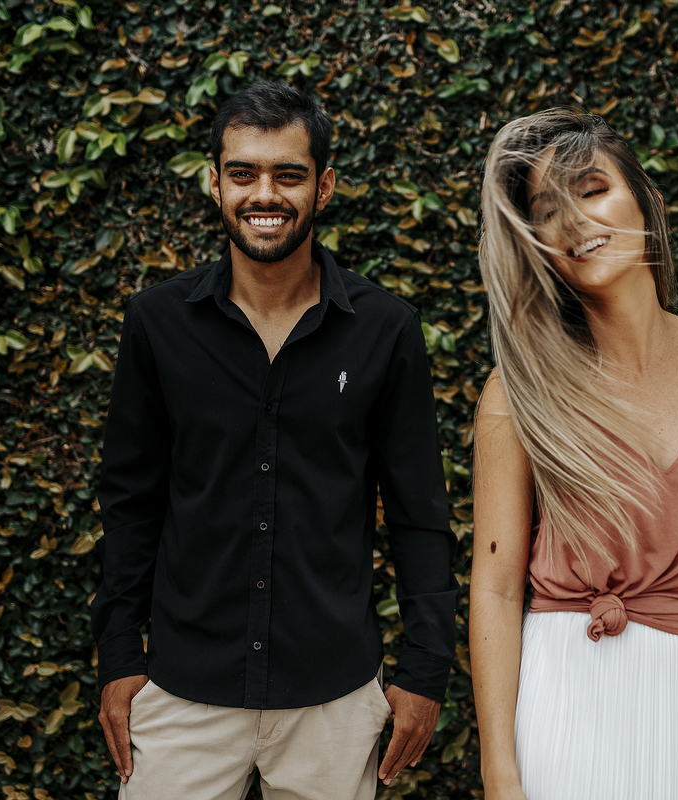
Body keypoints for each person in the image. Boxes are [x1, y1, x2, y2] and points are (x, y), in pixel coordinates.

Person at [91, 82, 459, 800]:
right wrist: (116, 655)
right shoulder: (157, 323)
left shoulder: (386, 330)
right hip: (182, 690)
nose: (265, 194)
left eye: (288, 174)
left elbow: (419, 512)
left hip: (334, 695)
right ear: (215, 183)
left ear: (324, 187)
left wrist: (425, 669)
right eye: (244, 173)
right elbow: (131, 502)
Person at [468, 108, 678, 800]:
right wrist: (501, 777)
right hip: (570, 703)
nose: (576, 222)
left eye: (592, 191)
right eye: (548, 211)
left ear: (647, 202)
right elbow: (495, 589)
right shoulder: (518, 390)